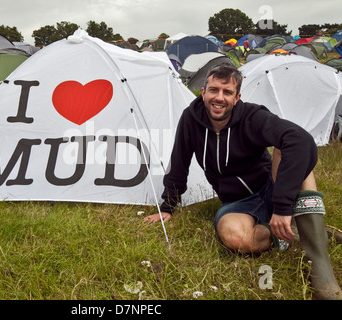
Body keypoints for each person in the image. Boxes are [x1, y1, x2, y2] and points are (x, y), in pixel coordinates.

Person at [144, 63, 341, 300]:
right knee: (235, 237)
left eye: (227, 93)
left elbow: (300, 140)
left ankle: (320, 265)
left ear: (237, 98)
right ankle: (301, 233)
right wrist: (168, 206)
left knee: (290, 147)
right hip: (238, 203)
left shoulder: (252, 116)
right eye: (214, 90)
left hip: (271, 186)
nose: (219, 98)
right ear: (203, 91)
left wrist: (282, 205)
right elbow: (179, 161)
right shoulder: (191, 119)